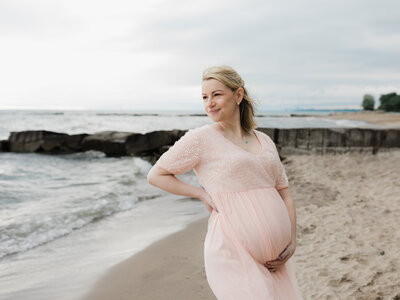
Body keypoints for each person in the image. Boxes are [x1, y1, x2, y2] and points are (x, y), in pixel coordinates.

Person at [147, 65, 303, 299]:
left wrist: (291, 241)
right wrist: (201, 194)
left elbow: (284, 193)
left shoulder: (265, 140)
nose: (209, 103)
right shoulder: (201, 138)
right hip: (231, 252)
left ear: (238, 95)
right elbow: (156, 175)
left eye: (216, 94)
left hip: (278, 260)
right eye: (204, 97)